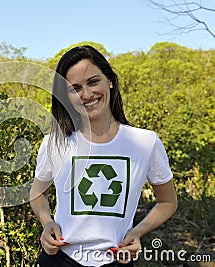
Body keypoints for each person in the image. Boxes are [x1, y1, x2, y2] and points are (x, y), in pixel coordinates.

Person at [30, 45, 177, 267]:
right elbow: (37, 192)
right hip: (60, 260)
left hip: (117, 260)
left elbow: (167, 201)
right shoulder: (54, 143)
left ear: (110, 80)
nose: (87, 95)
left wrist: (137, 231)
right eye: (75, 88)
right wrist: (47, 222)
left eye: (93, 82)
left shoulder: (145, 142)